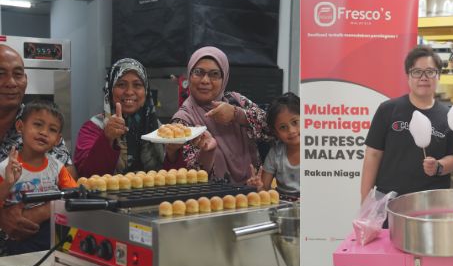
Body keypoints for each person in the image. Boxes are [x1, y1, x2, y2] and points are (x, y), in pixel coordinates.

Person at [358, 47, 453, 266]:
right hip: (387, 204)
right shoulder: (388, 110)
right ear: (408, 76)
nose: (423, 77)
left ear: (438, 76)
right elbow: (372, 155)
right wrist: (366, 202)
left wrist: (438, 166)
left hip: (430, 209)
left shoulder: (449, 116)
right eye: (417, 71)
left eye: (430, 71)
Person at [171, 47, 269, 185]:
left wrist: (237, 114)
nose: (205, 80)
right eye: (198, 72)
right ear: (189, 75)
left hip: (254, 193)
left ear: (225, 77)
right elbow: (191, 176)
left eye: (214, 74)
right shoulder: (183, 121)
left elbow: (272, 128)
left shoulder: (236, 101)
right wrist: (207, 152)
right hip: (213, 201)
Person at [74, 58, 183, 177]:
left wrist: (173, 153)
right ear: (110, 91)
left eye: (137, 85)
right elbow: (85, 175)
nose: (129, 92)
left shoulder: (158, 129)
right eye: (121, 84)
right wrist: (107, 138)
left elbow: (174, 178)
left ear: (146, 91)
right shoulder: (93, 128)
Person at [0, 102, 76, 253]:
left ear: (57, 139)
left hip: (53, 233)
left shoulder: (58, 167)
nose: (44, 132)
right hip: (20, 240)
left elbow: (73, 194)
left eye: (52, 129)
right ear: (20, 126)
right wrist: (8, 183)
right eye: (38, 125)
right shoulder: (6, 168)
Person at [257, 93, 301, 198]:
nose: (291, 131)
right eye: (283, 127)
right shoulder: (275, 154)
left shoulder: (318, 149)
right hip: (283, 208)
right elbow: (265, 188)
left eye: (295, 122)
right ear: (276, 133)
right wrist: (258, 186)